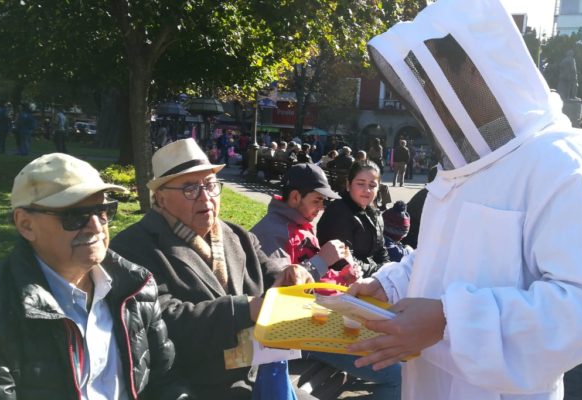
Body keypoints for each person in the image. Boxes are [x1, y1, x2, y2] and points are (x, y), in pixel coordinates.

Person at [346, 1, 582, 398]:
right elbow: (447, 258)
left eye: (436, 77)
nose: (428, 95)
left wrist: (449, 320)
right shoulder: (466, 163)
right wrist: (389, 285)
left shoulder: (566, 167)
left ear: (476, 67)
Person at [0, 153, 188, 399]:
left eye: (104, 210)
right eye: (75, 216)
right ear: (25, 225)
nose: (97, 226)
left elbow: (167, 381)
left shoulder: (137, 288)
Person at [110, 139, 312, 398]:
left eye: (210, 185)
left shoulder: (236, 234)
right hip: (196, 387)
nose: (205, 197)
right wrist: (246, 308)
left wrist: (289, 274)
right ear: (160, 197)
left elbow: (266, 268)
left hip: (258, 376)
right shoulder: (132, 247)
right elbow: (162, 321)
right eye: (189, 188)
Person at [250, 163, 401, 399]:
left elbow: (317, 275)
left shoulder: (302, 224)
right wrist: (322, 260)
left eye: (323, 202)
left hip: (323, 320)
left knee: (398, 349)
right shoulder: (271, 232)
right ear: (295, 197)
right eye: (317, 201)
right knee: (398, 374)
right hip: (301, 331)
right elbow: (283, 296)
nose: (321, 209)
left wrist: (344, 275)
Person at [318, 161, 389, 277]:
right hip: (341, 282)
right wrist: (381, 271)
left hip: (369, 276)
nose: (367, 190)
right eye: (361, 184)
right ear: (348, 185)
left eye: (372, 185)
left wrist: (388, 269)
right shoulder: (338, 212)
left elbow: (381, 250)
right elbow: (343, 262)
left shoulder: (374, 212)